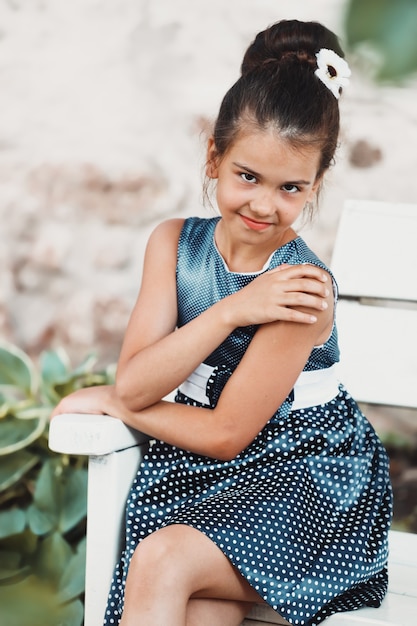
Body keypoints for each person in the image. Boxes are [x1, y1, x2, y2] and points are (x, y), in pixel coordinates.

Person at [52, 19, 392, 626]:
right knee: (199, 609)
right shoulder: (173, 245)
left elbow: (224, 431)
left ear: (316, 184)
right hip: (194, 477)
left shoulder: (301, 290)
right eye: (247, 176)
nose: (264, 204)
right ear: (214, 156)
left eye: (291, 187)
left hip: (299, 486)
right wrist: (233, 309)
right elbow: (139, 380)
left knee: (159, 562)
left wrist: (115, 399)